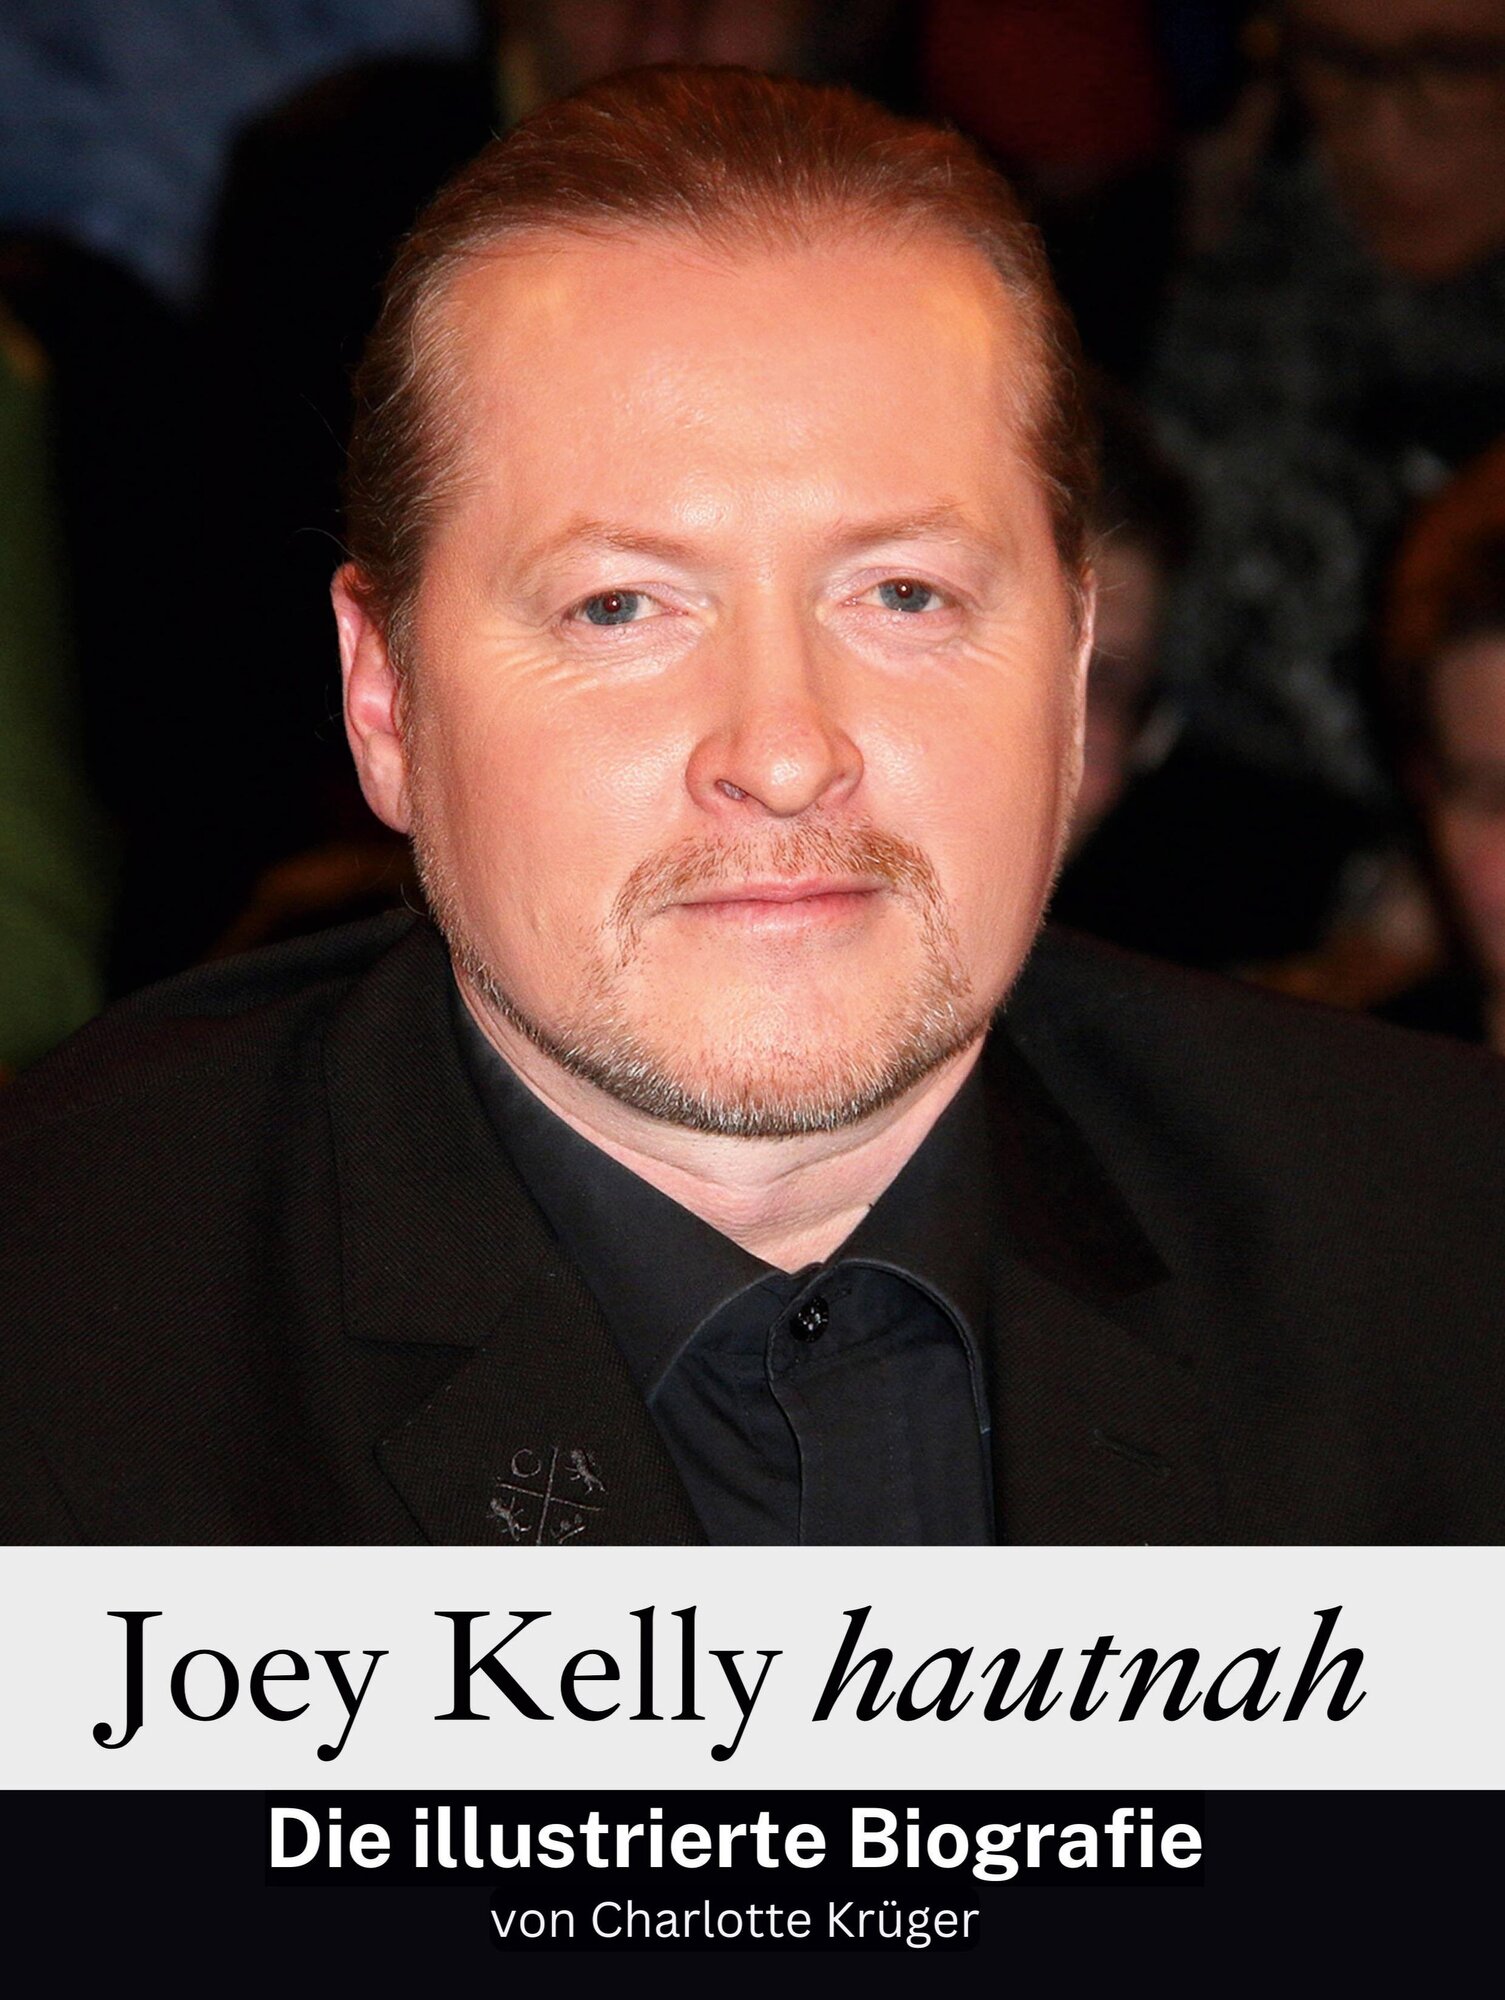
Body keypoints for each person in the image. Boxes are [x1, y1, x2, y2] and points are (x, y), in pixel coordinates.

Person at [1, 67, 1502, 1546]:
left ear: (1070, 671)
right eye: (619, 607)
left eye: (901, 595)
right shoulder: (59, 1341)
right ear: (386, 697)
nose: (783, 755)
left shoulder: (1446, 1262)